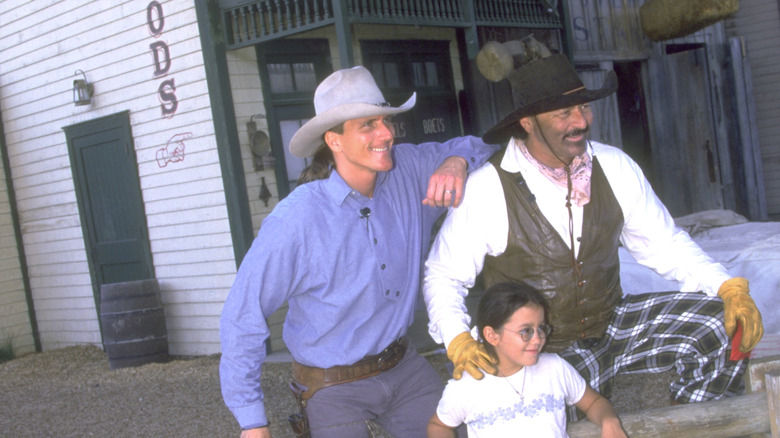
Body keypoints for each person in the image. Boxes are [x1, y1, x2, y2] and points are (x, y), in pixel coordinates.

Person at [423, 54, 764, 407]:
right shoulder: (488, 188)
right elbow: (443, 275)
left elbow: (664, 244)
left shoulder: (614, 166)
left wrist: (725, 285)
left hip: (612, 325)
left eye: (584, 107)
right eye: (563, 113)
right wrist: (457, 338)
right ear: (527, 122)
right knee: (536, 414)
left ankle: (698, 425)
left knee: (721, 325)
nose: (581, 122)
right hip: (538, 347)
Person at [220, 65, 500, 438]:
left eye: (385, 121)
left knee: (461, 432)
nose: (386, 133)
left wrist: (456, 162)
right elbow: (242, 315)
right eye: (367, 125)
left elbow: (486, 143)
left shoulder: (409, 171)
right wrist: (252, 421)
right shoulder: (296, 219)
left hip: (403, 366)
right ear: (333, 140)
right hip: (330, 384)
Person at [428, 282, 627, 438]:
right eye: (526, 331)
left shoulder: (554, 368)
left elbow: (593, 402)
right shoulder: (468, 385)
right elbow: (439, 425)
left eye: (541, 327)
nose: (538, 338)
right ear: (491, 335)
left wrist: (610, 421)